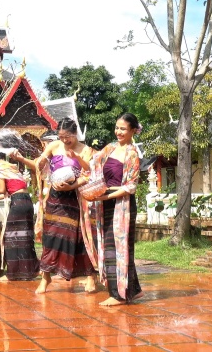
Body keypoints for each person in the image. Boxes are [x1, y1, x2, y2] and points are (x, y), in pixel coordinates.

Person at [33, 118, 97, 294]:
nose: (64, 140)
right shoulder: (54, 146)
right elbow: (42, 161)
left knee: (80, 238)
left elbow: (89, 174)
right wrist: (41, 162)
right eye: (61, 137)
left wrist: (72, 185)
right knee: (51, 237)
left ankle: (90, 277)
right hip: (55, 198)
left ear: (75, 133)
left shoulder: (85, 150)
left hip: (76, 197)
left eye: (67, 137)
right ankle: (45, 278)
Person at [91, 112, 143, 306]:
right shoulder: (110, 148)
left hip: (122, 204)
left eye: (123, 129)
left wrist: (107, 196)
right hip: (106, 200)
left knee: (118, 247)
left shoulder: (132, 153)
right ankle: (133, 290)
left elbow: (130, 186)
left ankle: (119, 295)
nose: (118, 132)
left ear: (132, 131)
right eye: (117, 127)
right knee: (111, 245)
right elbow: (92, 162)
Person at [0, 150, 40, 281]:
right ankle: (32, 270)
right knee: (25, 236)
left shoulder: (0, 169)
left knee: (10, 237)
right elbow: (12, 189)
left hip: (18, 203)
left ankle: (12, 273)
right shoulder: (12, 166)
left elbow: (2, 190)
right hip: (26, 201)